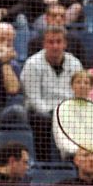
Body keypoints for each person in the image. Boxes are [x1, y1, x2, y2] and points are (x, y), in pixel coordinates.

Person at [20, 25, 83, 160]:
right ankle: (46, 164)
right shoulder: (32, 64)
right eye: (51, 42)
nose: (55, 46)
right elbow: (33, 98)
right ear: (44, 44)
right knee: (43, 120)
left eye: (58, 42)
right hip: (42, 112)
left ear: (65, 44)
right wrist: (56, 114)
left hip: (68, 110)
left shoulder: (75, 64)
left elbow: (79, 93)